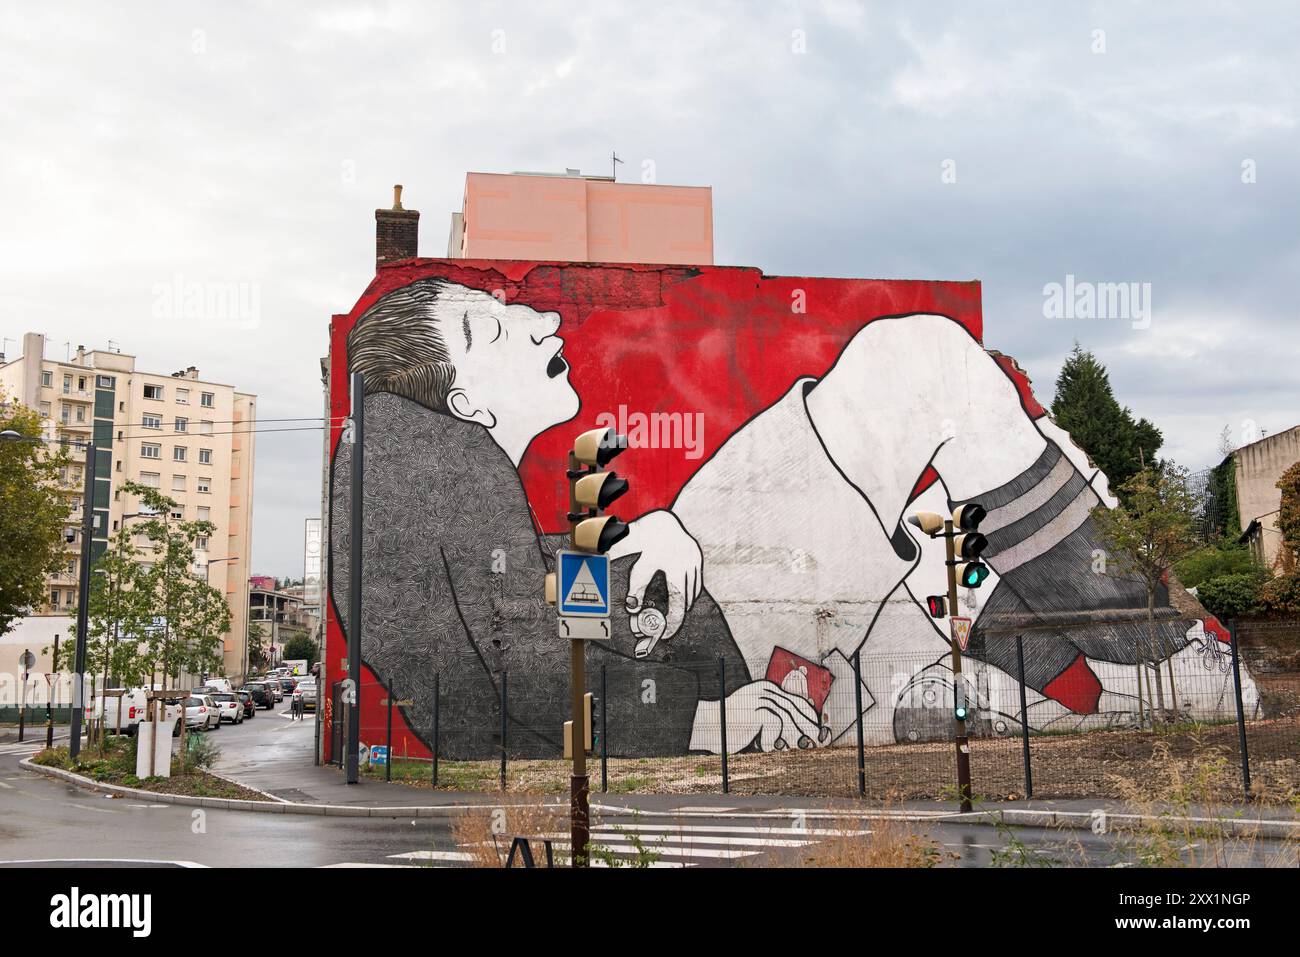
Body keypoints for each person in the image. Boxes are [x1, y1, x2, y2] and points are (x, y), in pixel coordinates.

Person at [330, 278, 1243, 757]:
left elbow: (509, 635)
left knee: (928, 520)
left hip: (709, 582)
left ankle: (1021, 681)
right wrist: (699, 722)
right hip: (731, 608)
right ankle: (1159, 651)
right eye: (494, 329)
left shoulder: (417, 474)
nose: (533, 316)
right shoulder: (431, 467)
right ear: (467, 408)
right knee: (923, 363)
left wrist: (633, 559)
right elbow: (501, 678)